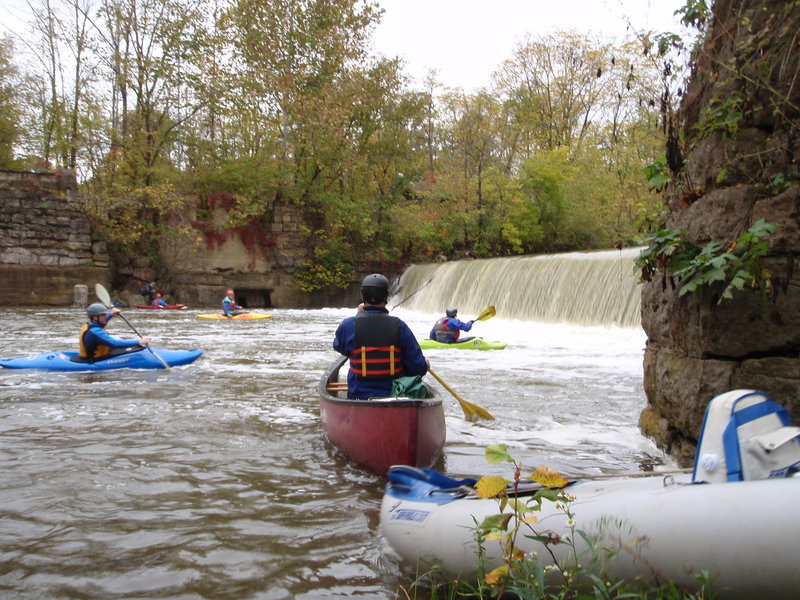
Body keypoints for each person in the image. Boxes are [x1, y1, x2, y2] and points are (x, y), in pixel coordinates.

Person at [334, 274, 429, 399]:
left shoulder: (348, 325)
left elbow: (340, 347)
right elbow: (418, 368)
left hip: (358, 395)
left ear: (363, 296)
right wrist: (425, 365)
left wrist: (359, 316)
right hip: (394, 395)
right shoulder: (400, 326)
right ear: (386, 296)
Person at [79, 303, 149, 362]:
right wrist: (138, 342)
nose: (106, 317)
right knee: (135, 346)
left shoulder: (90, 324)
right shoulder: (95, 332)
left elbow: (102, 321)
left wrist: (111, 314)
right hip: (94, 359)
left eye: (106, 314)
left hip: (99, 354)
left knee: (135, 348)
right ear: (94, 317)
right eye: (103, 315)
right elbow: (114, 343)